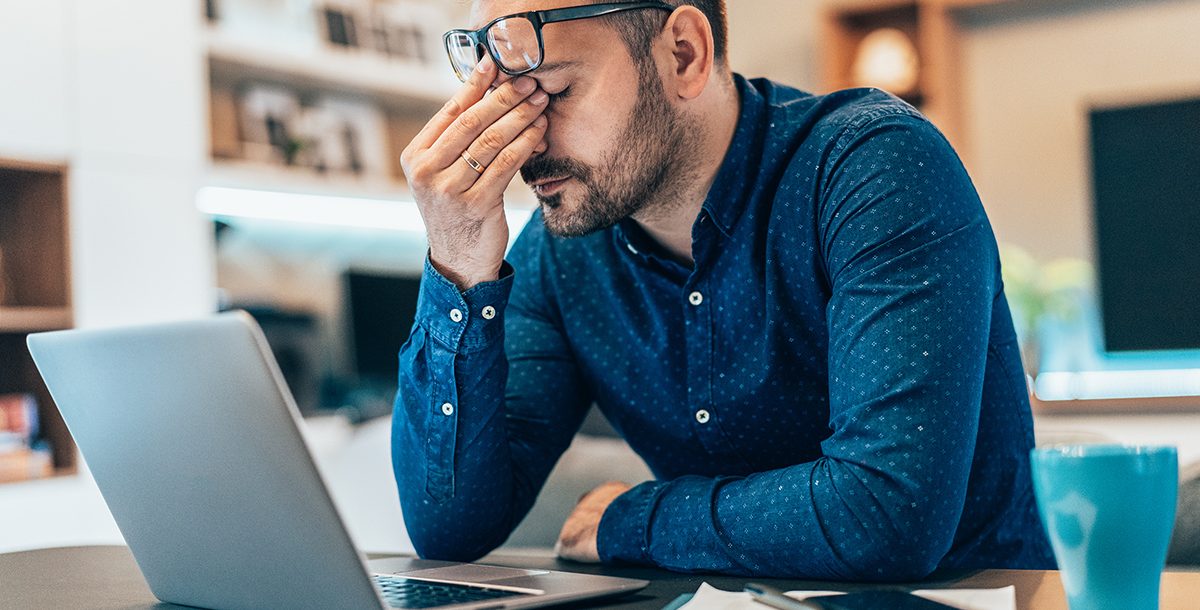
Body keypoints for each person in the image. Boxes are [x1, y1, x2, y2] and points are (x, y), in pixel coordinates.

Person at [392, 0, 1054, 579]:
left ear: (684, 53)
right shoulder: (561, 254)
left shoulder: (874, 167)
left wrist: (637, 520)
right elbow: (450, 531)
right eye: (505, 105)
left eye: (555, 95)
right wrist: (456, 265)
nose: (526, 143)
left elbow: (886, 513)